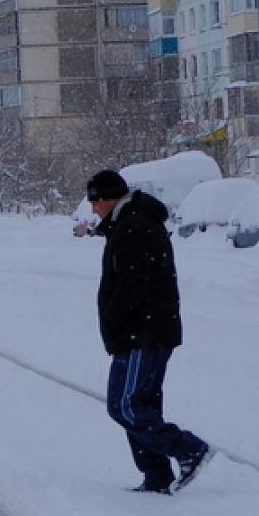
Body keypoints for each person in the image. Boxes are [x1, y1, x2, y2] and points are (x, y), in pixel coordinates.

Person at [87, 169, 213, 494]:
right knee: (143, 404)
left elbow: (133, 285)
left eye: (95, 200)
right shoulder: (129, 222)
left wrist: (113, 319)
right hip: (145, 331)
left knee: (125, 405)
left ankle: (188, 449)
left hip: (143, 333)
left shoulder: (134, 226)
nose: (92, 208)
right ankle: (157, 476)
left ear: (110, 197)